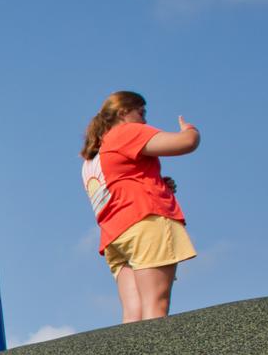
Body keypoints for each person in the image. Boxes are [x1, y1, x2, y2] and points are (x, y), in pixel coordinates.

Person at [81, 91, 200, 321]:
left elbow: (120, 184)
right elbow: (186, 143)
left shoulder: (94, 155)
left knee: (133, 314)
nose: (144, 121)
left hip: (115, 236)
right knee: (155, 306)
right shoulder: (124, 132)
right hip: (145, 222)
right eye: (141, 113)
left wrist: (157, 182)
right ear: (123, 113)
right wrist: (190, 130)